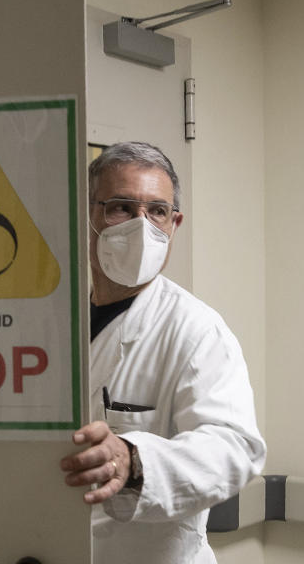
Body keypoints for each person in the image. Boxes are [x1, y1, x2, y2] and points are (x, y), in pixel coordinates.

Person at [60, 142, 266, 563]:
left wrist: (133, 460)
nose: (141, 226)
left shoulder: (196, 329)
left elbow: (234, 448)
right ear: (88, 216)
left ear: (175, 222)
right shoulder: (56, 319)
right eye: (120, 207)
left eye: (157, 211)